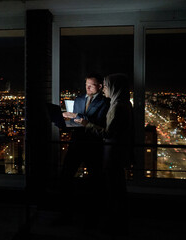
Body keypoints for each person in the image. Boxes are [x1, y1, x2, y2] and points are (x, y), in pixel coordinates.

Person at [75, 73, 134, 234]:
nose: (105, 89)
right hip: (118, 151)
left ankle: (114, 225)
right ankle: (119, 222)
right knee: (117, 188)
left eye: (106, 86)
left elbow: (108, 133)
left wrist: (86, 124)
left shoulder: (117, 107)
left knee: (113, 189)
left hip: (112, 152)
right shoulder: (125, 103)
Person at [61, 73, 109, 187]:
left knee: (96, 176)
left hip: (93, 143)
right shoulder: (79, 99)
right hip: (76, 140)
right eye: (86, 85)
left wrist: (76, 115)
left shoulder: (105, 102)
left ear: (100, 86)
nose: (87, 88)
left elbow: (97, 121)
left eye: (91, 85)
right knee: (66, 173)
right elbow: (76, 121)